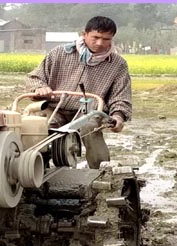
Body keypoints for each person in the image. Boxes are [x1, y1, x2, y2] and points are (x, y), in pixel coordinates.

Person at [25, 16, 132, 169]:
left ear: (112, 39)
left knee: (90, 126)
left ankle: (100, 170)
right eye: (95, 37)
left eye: (106, 39)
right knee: (39, 126)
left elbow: (120, 96)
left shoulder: (117, 64)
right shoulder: (59, 53)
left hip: (88, 112)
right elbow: (35, 77)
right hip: (55, 107)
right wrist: (39, 87)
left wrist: (118, 116)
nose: (100, 43)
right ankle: (35, 169)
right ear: (84, 34)